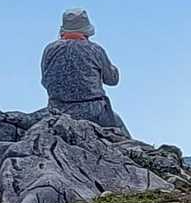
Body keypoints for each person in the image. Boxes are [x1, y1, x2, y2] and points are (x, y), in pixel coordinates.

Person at [41, 8, 128, 136]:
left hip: (57, 111)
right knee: (120, 129)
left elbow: (45, 80)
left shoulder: (49, 49)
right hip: (93, 111)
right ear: (86, 31)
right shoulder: (95, 50)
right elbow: (112, 80)